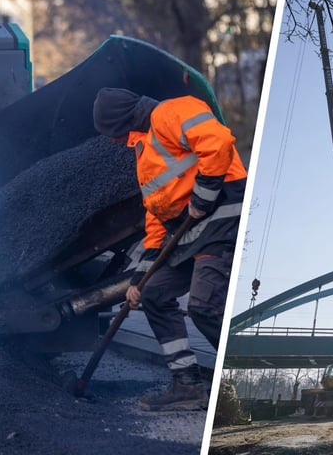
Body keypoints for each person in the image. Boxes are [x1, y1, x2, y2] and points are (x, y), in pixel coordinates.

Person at [93, 87, 247, 411]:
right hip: (189, 237)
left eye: (110, 132)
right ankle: (187, 386)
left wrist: (202, 199)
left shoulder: (171, 112)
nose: (111, 141)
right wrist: (139, 278)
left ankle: (238, 377)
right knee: (153, 293)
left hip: (222, 220)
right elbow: (155, 217)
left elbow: (217, 142)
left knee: (204, 306)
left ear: (121, 122)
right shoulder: (143, 152)